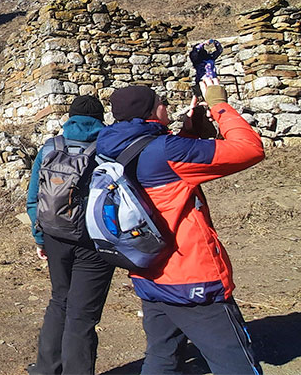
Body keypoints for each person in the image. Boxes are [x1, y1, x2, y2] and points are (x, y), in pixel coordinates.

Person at [94, 79, 264, 374]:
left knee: (163, 358)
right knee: (236, 364)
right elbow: (249, 149)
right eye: (162, 102)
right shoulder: (168, 151)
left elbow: (156, 166)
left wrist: (188, 133)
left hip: (150, 271)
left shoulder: (113, 147)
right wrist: (219, 104)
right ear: (149, 112)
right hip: (191, 278)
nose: (168, 107)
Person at [25, 96, 114, 375]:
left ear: (70, 118)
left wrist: (40, 238)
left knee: (59, 300)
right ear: (101, 118)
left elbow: (34, 199)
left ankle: (46, 369)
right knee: (83, 313)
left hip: (54, 236)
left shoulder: (51, 147)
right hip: (93, 242)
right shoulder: (109, 148)